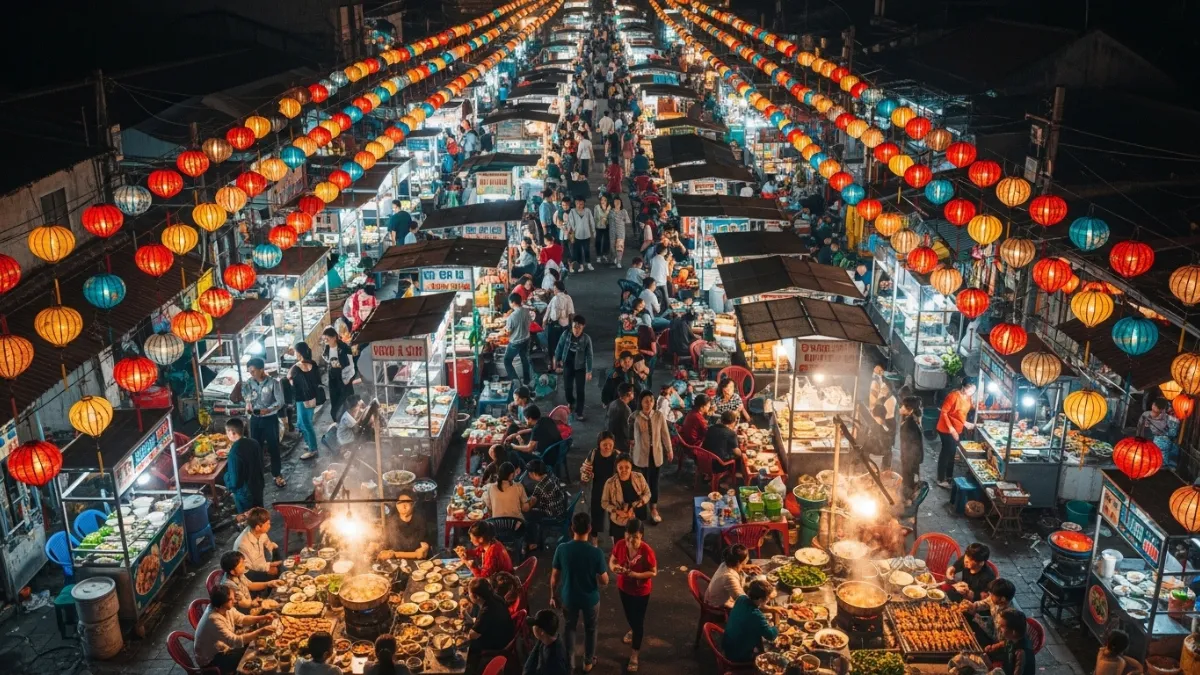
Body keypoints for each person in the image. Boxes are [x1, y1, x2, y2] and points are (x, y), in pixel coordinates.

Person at [550, 512, 609, 672]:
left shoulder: (562, 549)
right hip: (590, 598)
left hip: (569, 597)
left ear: (572, 528)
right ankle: (588, 662)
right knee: (591, 629)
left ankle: (570, 664)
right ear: (589, 528)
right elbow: (604, 580)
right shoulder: (596, 553)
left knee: (569, 628)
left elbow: (555, 577)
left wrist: (553, 595)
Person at [193, 584, 276, 674]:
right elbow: (235, 641)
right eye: (231, 599)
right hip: (212, 660)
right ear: (222, 605)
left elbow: (243, 619)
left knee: (253, 646)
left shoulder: (223, 608)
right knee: (252, 657)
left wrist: (263, 617)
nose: (235, 600)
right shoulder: (213, 620)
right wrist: (260, 631)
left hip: (223, 647)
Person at [609, 518, 656, 672]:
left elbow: (653, 572)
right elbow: (613, 560)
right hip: (624, 588)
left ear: (641, 536)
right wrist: (615, 568)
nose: (631, 540)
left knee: (638, 622)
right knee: (629, 616)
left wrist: (635, 575)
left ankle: (635, 654)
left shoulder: (646, 551)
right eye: (628, 535)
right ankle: (633, 629)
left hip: (641, 592)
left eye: (635, 536)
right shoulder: (620, 544)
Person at [241, 357, 286, 488]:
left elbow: (280, 401)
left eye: (253, 371)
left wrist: (269, 410)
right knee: (256, 447)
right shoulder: (249, 383)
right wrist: (248, 403)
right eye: (249, 371)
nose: (251, 374)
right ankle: (257, 475)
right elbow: (247, 397)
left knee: (274, 447)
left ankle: (277, 474)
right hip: (255, 419)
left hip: (269, 419)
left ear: (262, 370)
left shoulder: (273, 383)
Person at [631, 391, 672, 524]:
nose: (649, 403)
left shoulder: (659, 416)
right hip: (640, 455)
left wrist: (669, 450)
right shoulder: (635, 417)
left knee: (654, 483)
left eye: (651, 401)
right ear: (640, 403)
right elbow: (631, 438)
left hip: (656, 455)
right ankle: (640, 510)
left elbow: (665, 434)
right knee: (640, 484)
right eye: (646, 401)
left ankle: (653, 509)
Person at [722, 579, 785, 663]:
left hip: (728, 645)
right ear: (761, 599)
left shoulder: (742, 598)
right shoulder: (756, 615)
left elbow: (757, 606)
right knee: (774, 654)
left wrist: (774, 609)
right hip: (738, 655)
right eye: (768, 598)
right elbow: (771, 636)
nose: (768, 600)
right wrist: (778, 626)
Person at [463, 577, 517, 675]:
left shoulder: (486, 611)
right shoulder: (495, 596)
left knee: (466, 645)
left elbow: (472, 635)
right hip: (504, 632)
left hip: (499, 642)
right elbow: (483, 622)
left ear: (477, 597)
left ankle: (472, 666)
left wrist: (467, 628)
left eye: (469, 593)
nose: (468, 594)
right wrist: (470, 618)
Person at [580, 431, 620, 545]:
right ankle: (594, 539)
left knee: (614, 516)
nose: (607, 447)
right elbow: (585, 468)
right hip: (598, 488)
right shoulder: (593, 453)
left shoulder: (617, 455)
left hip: (613, 490)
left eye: (610, 445)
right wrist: (586, 473)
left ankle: (615, 541)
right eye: (604, 444)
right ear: (599, 444)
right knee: (596, 514)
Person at [937, 379, 977, 487]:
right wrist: (951, 429)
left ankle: (949, 477)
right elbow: (944, 412)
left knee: (952, 453)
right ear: (963, 387)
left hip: (957, 428)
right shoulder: (953, 396)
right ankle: (940, 479)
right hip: (946, 428)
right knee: (946, 453)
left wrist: (964, 423)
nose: (971, 392)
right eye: (970, 389)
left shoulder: (968, 397)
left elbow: (963, 412)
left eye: (974, 390)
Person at [601, 454, 651, 540]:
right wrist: (617, 511)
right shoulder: (610, 483)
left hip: (637, 517)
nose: (624, 470)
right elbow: (604, 503)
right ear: (616, 468)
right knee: (620, 544)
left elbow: (647, 493)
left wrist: (639, 503)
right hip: (618, 519)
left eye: (627, 467)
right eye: (620, 467)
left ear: (631, 466)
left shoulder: (639, 477)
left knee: (637, 543)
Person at [554, 315, 594, 421]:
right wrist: (556, 361)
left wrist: (589, 371)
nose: (576, 330)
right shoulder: (566, 334)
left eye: (579, 327)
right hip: (567, 364)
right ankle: (571, 402)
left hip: (580, 367)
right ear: (571, 326)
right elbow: (559, 347)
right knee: (567, 388)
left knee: (580, 390)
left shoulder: (586, 339)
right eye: (574, 327)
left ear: (583, 327)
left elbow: (589, 355)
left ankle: (579, 412)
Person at [289, 343, 324, 460]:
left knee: (306, 425)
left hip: (302, 400)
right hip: (312, 398)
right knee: (301, 423)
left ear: (298, 353)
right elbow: (318, 380)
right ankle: (310, 443)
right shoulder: (313, 364)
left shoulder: (296, 368)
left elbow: (291, 382)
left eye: (295, 351)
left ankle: (313, 449)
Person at [223, 417, 265, 515]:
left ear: (232, 433)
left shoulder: (234, 452)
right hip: (258, 486)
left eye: (226, 432)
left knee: (248, 518)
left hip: (245, 493)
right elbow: (261, 464)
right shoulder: (254, 442)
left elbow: (235, 482)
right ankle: (262, 528)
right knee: (259, 513)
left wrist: (226, 477)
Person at [705, 544, 762, 609]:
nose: (748, 557)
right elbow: (743, 601)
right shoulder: (729, 577)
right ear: (738, 562)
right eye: (747, 556)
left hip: (714, 596)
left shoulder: (726, 562)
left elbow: (737, 566)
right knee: (753, 607)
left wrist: (747, 566)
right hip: (717, 605)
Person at [964, 577, 1016, 646]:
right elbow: (984, 603)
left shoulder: (1006, 617)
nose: (989, 595)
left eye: (992, 594)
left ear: (1002, 599)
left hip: (996, 643)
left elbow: (995, 637)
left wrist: (976, 616)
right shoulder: (997, 600)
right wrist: (972, 605)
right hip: (990, 625)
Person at [234, 507, 281, 581]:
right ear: (258, 527)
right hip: (247, 573)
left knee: (276, 553)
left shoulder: (260, 533)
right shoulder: (243, 545)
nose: (270, 526)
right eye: (267, 524)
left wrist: (275, 563)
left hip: (259, 564)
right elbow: (252, 567)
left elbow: (269, 546)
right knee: (272, 575)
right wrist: (268, 568)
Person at [385, 489, 432, 559]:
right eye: (400, 502)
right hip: (396, 562)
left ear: (413, 504)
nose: (403, 505)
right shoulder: (391, 521)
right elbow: (386, 545)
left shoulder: (420, 520)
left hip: (417, 563)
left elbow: (422, 551)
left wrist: (425, 548)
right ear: (396, 505)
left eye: (407, 502)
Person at [322, 326, 356, 421]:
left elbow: (351, 365)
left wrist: (347, 378)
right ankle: (337, 419)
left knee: (345, 398)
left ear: (334, 337)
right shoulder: (326, 349)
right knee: (335, 398)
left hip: (344, 376)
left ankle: (349, 419)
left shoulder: (344, 348)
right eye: (324, 339)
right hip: (333, 376)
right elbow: (327, 360)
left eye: (327, 338)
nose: (325, 341)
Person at [990, 608, 1035, 675]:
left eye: (1002, 626)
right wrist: (992, 647)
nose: (999, 628)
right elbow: (1005, 643)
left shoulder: (1021, 653)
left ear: (1013, 632)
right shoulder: (1013, 638)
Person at [524, 609, 570, 675]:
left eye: (535, 625)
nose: (533, 627)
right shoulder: (547, 639)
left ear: (542, 631)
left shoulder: (554, 660)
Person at [704, 411, 746, 478]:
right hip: (718, 464)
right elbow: (737, 452)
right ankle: (729, 479)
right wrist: (743, 454)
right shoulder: (731, 433)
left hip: (704, 459)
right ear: (733, 422)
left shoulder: (711, 428)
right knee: (741, 456)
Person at [504, 293, 534, 386]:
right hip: (526, 339)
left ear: (513, 303)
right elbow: (530, 323)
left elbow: (508, 332)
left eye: (510, 302)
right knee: (524, 359)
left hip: (515, 342)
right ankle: (527, 381)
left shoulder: (512, 316)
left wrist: (504, 331)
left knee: (507, 361)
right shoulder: (526, 311)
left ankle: (516, 381)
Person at [898, 396, 925, 498]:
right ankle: (909, 496)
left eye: (903, 406)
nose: (900, 408)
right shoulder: (911, 419)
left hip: (910, 457)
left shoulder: (910, 425)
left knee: (908, 478)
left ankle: (908, 500)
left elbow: (911, 445)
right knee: (910, 476)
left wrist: (906, 459)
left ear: (910, 410)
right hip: (912, 456)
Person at [566, 197, 595, 272]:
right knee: (578, 251)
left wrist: (593, 230)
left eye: (581, 204)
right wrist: (569, 232)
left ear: (584, 204)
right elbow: (570, 222)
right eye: (577, 203)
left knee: (586, 250)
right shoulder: (572, 211)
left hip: (586, 234)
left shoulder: (587, 211)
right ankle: (581, 266)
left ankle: (588, 263)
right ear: (575, 203)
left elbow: (591, 221)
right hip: (577, 235)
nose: (579, 205)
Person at [611, 198, 630, 267]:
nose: (617, 203)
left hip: (621, 232)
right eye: (615, 202)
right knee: (612, 247)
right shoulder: (610, 211)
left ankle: (619, 262)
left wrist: (623, 219)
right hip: (612, 232)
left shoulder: (624, 211)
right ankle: (615, 256)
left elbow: (627, 221)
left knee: (619, 247)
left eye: (618, 202)